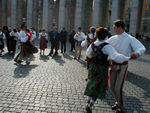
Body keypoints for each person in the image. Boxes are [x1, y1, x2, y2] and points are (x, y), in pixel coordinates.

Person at [84, 27, 130, 113]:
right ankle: (90, 105)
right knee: (98, 87)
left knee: (92, 85)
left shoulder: (92, 44)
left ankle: (88, 104)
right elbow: (115, 56)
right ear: (105, 36)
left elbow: (88, 55)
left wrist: (95, 56)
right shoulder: (107, 46)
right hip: (102, 68)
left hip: (93, 67)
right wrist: (127, 57)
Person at [106, 20, 146, 113]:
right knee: (112, 87)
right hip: (113, 65)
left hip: (122, 66)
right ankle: (117, 102)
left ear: (120, 28)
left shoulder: (129, 38)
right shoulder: (113, 38)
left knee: (118, 88)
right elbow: (104, 45)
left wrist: (136, 53)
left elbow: (141, 47)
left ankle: (120, 106)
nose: (114, 29)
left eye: (115, 27)